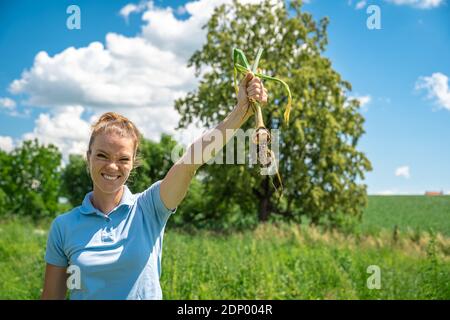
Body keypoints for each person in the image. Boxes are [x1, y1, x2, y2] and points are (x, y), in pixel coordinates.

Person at [41, 71, 268, 299]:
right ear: (88, 156)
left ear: (133, 164)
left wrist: (241, 111)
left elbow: (191, 160)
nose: (112, 166)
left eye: (123, 159)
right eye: (102, 155)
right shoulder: (64, 227)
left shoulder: (149, 208)